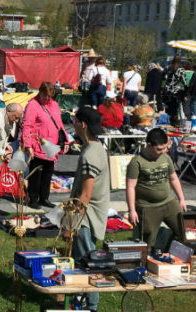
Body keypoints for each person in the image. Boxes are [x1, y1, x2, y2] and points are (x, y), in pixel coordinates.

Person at [66, 106, 110, 312]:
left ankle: (90, 306)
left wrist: (70, 225)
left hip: (86, 220)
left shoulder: (90, 154)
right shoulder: (96, 147)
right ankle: (81, 301)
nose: (73, 124)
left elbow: (85, 195)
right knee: (84, 263)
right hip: (89, 218)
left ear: (83, 124)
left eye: (75, 121)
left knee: (86, 265)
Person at [126, 128, 187, 252]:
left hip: (168, 202)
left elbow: (173, 178)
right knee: (146, 240)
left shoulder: (165, 158)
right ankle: (145, 264)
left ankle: (170, 252)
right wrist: (132, 210)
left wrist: (181, 199)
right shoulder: (136, 162)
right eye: (159, 149)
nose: (163, 151)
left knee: (184, 230)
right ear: (149, 145)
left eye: (165, 148)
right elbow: (130, 187)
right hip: (147, 206)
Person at [22, 82, 69, 209]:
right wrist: (28, 145)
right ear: (40, 92)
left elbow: (59, 124)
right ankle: (33, 199)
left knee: (48, 173)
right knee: (35, 174)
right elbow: (27, 125)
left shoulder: (54, 105)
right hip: (38, 144)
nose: (47, 98)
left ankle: (44, 198)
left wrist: (66, 140)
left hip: (51, 145)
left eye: (50, 96)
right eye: (45, 95)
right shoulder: (33, 105)